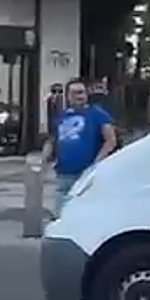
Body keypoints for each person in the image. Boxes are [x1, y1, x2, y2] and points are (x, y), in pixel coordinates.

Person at [46, 77, 117, 212]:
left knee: (84, 208)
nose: (80, 96)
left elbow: (110, 140)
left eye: (82, 92)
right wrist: (45, 160)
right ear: (68, 96)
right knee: (61, 210)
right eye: (75, 93)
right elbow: (53, 139)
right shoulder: (62, 116)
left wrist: (96, 163)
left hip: (86, 171)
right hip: (64, 171)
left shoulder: (97, 113)